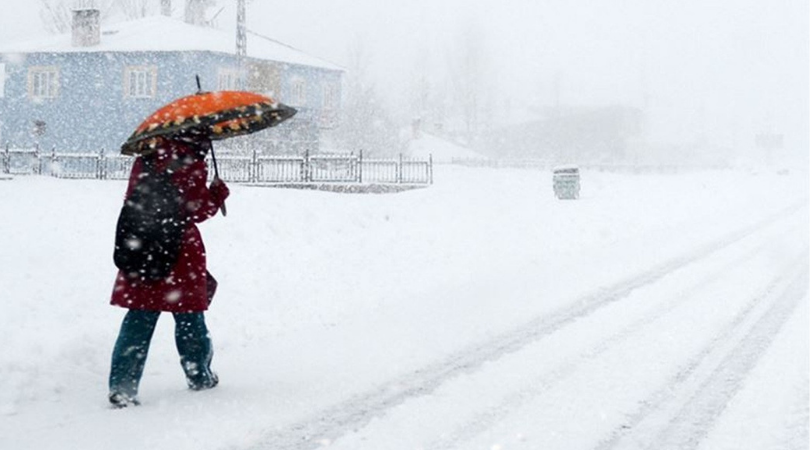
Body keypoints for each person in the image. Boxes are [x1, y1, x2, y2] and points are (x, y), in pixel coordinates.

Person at [107, 137, 229, 408]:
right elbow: (196, 210)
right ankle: (199, 375)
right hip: (179, 249)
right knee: (189, 317)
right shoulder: (192, 161)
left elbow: (133, 197)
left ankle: (122, 386)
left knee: (139, 317)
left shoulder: (147, 156)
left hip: (144, 243)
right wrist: (217, 195)